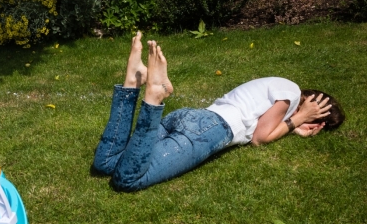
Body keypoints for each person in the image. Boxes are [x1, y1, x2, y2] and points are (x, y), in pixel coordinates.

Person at [93, 32, 346, 191]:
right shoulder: (291, 92)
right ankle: (153, 98)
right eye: (317, 120)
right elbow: (260, 137)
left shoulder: (281, 86)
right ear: (315, 108)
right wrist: (299, 119)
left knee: (107, 164)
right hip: (210, 131)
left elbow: (267, 123)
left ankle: (131, 83)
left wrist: (294, 125)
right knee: (127, 178)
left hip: (189, 117)